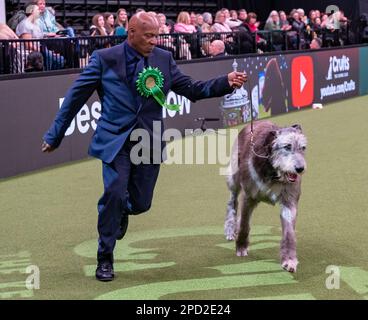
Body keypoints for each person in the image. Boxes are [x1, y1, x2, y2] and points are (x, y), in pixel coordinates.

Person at [41, 12, 247, 282]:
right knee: (113, 192)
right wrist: (55, 135)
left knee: (140, 203)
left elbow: (193, 89)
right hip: (115, 141)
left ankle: (123, 211)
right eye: (148, 35)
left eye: (156, 34)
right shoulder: (104, 59)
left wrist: (225, 82)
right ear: (131, 33)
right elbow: (74, 99)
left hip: (148, 140)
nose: (155, 40)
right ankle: (105, 257)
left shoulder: (164, 59)